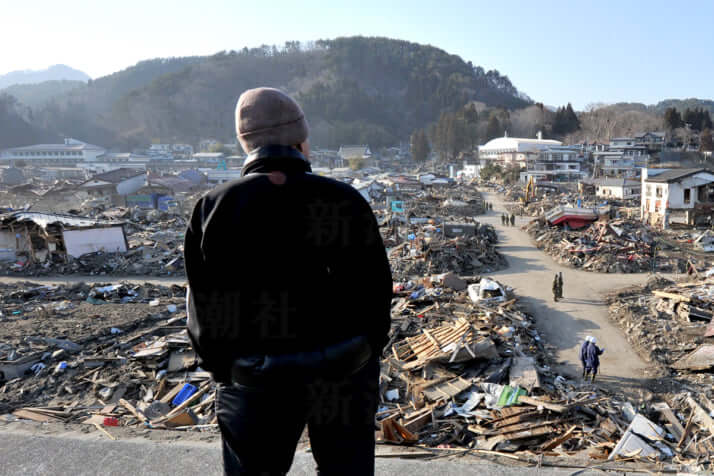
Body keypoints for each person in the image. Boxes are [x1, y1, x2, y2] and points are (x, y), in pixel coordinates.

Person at [184, 87, 392, 476]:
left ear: (245, 143)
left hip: (255, 381)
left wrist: (227, 371)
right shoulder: (344, 199)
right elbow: (377, 295)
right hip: (343, 374)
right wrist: (363, 351)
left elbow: (204, 312)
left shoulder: (213, 206)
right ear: (300, 139)